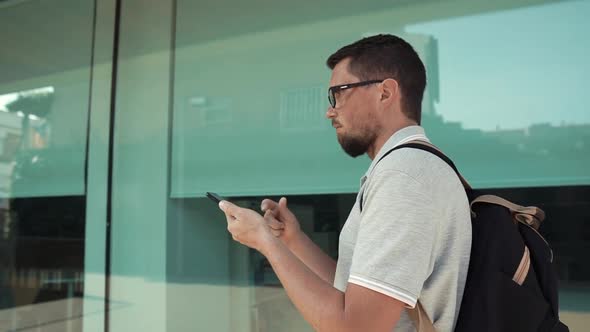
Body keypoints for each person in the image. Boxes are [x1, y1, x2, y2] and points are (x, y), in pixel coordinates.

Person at [218, 34, 471, 331]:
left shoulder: (403, 177)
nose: (330, 110)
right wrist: (291, 240)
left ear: (385, 93)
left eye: (339, 92)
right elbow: (356, 295)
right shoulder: (411, 167)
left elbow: (356, 327)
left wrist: (264, 242)